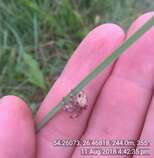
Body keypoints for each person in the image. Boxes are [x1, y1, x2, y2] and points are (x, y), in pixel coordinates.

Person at [0, 12, 154, 158]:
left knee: (75, 107)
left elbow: (79, 104)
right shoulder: (76, 99)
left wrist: (77, 102)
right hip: (79, 103)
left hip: (80, 103)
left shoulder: (79, 102)